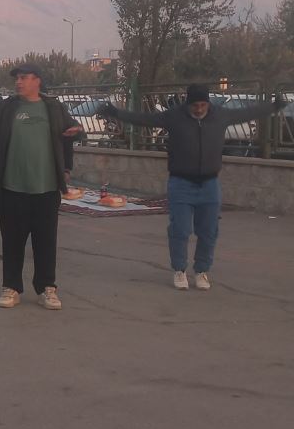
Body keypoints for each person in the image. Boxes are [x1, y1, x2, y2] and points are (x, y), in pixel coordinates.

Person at [98, 84, 283, 291]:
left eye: (203, 104)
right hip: (181, 183)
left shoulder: (220, 115)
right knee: (180, 229)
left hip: (210, 184)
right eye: (195, 105)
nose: (199, 109)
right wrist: (114, 112)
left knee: (209, 231)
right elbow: (144, 119)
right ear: (188, 103)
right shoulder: (174, 117)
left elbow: (247, 113)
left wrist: (274, 107)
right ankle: (179, 270)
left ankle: (202, 271)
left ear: (208, 103)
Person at [0, 63, 80, 309]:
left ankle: (47, 288)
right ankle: (11, 287)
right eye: (17, 78)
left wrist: (67, 167)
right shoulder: (7, 107)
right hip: (12, 186)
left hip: (46, 187)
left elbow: (69, 136)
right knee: (12, 241)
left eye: (24, 77)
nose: (18, 82)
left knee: (45, 241)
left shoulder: (54, 108)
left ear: (37, 80)